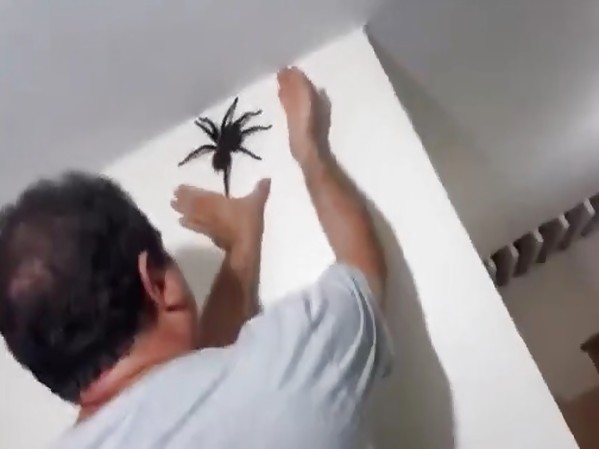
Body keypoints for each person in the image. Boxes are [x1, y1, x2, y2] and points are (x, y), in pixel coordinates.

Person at [0, 68, 392, 449]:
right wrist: (310, 150)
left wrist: (242, 247)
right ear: (157, 283)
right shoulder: (293, 372)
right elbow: (362, 271)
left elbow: (185, 389)